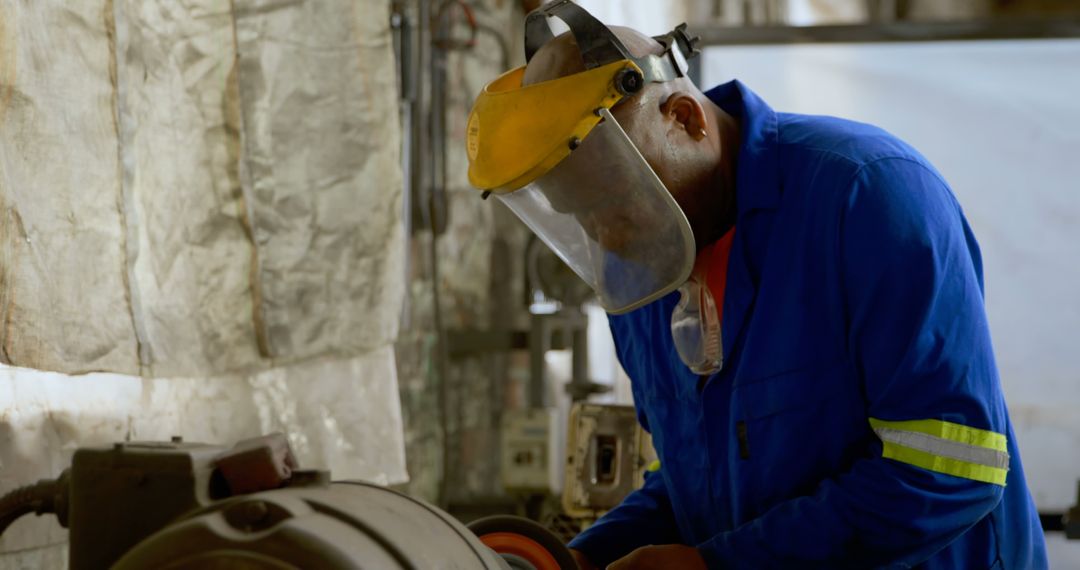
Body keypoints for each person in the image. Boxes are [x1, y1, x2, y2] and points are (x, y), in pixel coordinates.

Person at [466, 3, 1048, 568]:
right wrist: (585, 557)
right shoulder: (640, 273)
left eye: (616, 201)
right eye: (583, 215)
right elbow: (697, 482)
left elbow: (952, 470)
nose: (605, 235)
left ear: (685, 120)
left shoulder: (866, 197)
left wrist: (718, 564)